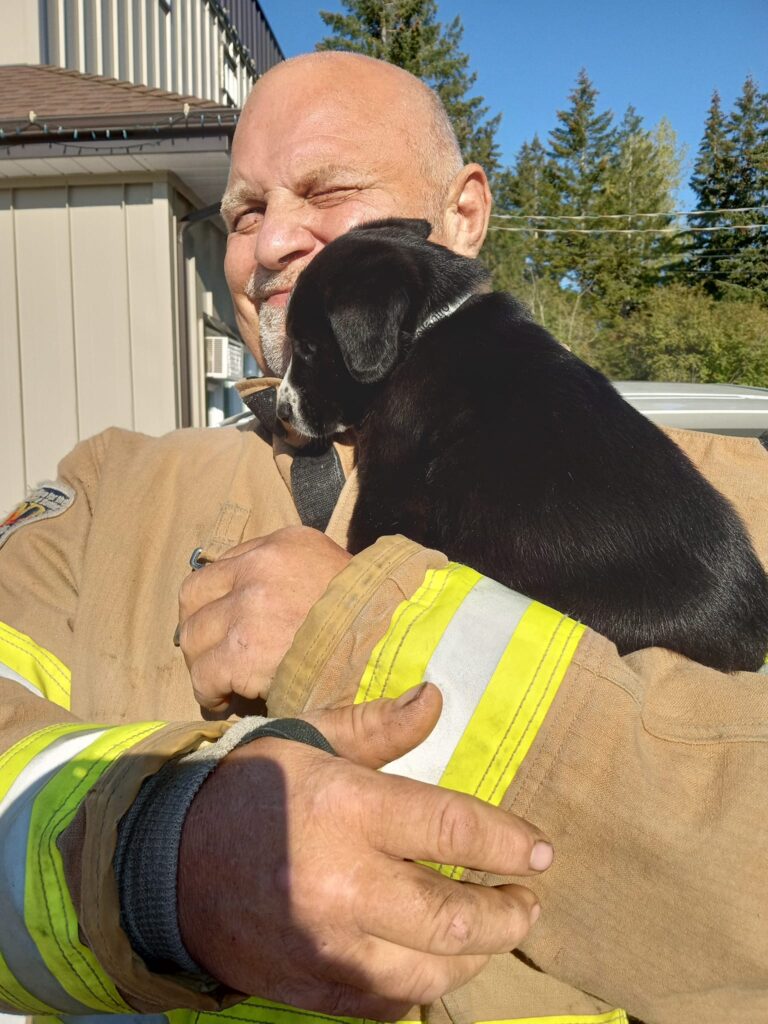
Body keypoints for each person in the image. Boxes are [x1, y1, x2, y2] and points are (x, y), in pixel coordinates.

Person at [0, 50, 766, 1024]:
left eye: (329, 189)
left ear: (462, 216)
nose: (273, 240)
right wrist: (155, 857)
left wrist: (362, 631)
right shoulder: (110, 493)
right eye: (243, 211)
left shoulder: (724, 496)